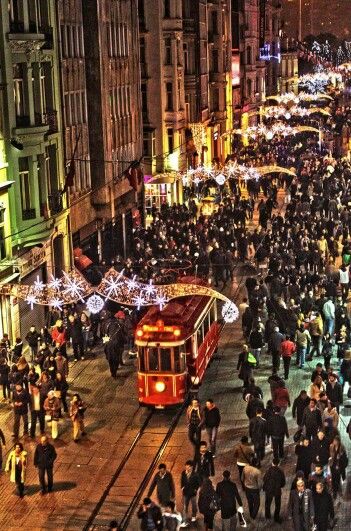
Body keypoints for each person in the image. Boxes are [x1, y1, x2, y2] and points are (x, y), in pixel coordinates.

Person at [263, 458, 286, 523]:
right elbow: (283, 483)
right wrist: (279, 486)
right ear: (279, 463)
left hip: (269, 490)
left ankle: (267, 515)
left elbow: (264, 479)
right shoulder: (281, 471)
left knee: (267, 503)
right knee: (277, 504)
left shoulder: (268, 470)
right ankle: (276, 517)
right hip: (277, 490)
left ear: (272, 463)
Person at [180, 460, 200, 527]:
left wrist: (195, 489)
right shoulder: (183, 473)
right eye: (186, 466)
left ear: (191, 467)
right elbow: (182, 480)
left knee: (194, 505)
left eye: (188, 467)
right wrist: (182, 487)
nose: (187, 468)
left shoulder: (195, 474)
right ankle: (184, 521)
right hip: (185, 493)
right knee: (185, 507)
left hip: (192, 493)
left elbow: (198, 483)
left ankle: (193, 515)